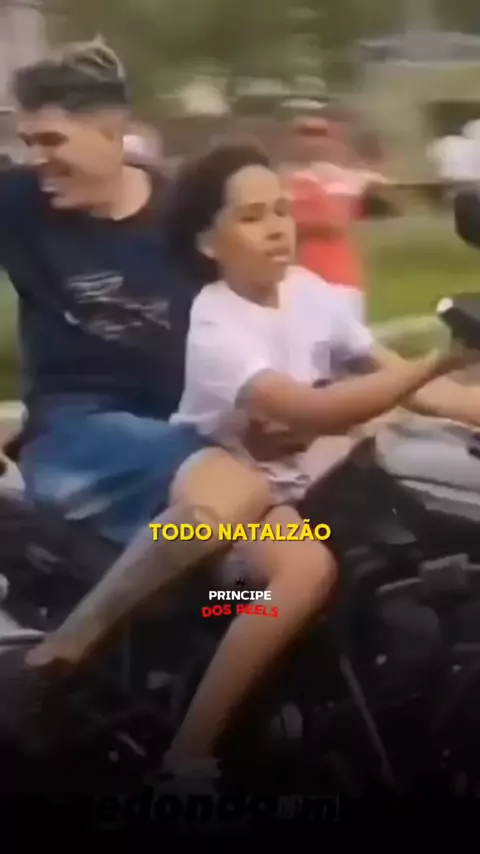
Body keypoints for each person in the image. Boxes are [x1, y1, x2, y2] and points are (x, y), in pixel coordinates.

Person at [0, 41, 295, 770]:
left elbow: (288, 322)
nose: (37, 159)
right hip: (76, 436)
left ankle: (206, 738)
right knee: (236, 486)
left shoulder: (187, 220)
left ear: (113, 131)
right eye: (27, 140)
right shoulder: (19, 204)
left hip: (189, 446)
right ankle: (58, 656)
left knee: (301, 565)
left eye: (51, 140)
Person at [155, 142, 480, 766]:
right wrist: (439, 359)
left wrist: (461, 396)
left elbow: (401, 381)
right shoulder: (216, 324)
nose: (277, 227)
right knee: (304, 575)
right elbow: (314, 411)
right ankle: (187, 757)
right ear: (207, 242)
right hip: (235, 504)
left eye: (281, 210)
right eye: (252, 216)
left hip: (315, 489)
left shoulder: (309, 292)